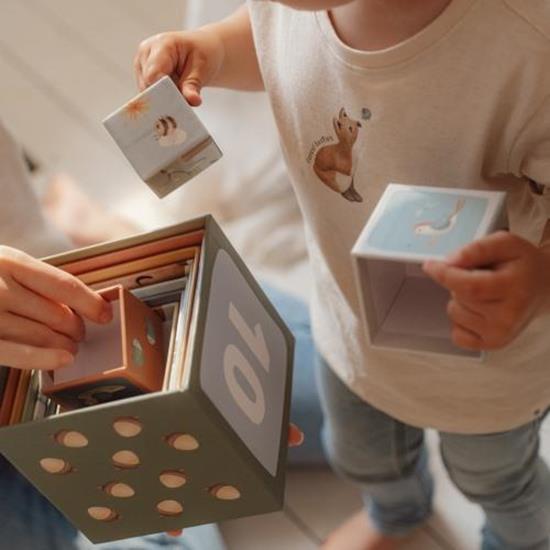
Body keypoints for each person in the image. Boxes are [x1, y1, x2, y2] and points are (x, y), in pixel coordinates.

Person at [133, 1, 550, 549]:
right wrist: (213, 50)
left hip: (486, 356)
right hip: (348, 319)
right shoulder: (291, 8)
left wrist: (540, 278)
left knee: (496, 479)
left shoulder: (527, 45)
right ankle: (395, 512)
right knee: (363, 453)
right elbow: (272, 45)